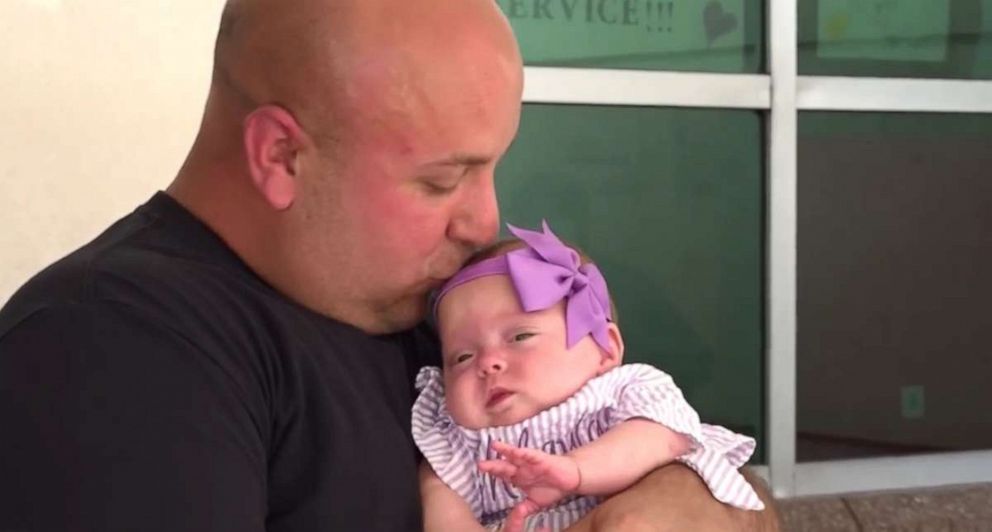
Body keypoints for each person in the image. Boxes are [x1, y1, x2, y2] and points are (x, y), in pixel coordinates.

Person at [0, 0, 777, 531]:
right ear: (281, 155)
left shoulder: (428, 294)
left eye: (490, 168)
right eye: (442, 180)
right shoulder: (107, 351)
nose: (482, 220)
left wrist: (678, 496)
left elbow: (716, 466)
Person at [413, 222, 764, 531]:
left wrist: (576, 469)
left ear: (606, 349)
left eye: (520, 337)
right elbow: (439, 500)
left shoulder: (624, 390)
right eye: (462, 356)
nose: (488, 363)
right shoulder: (458, 439)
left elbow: (662, 439)